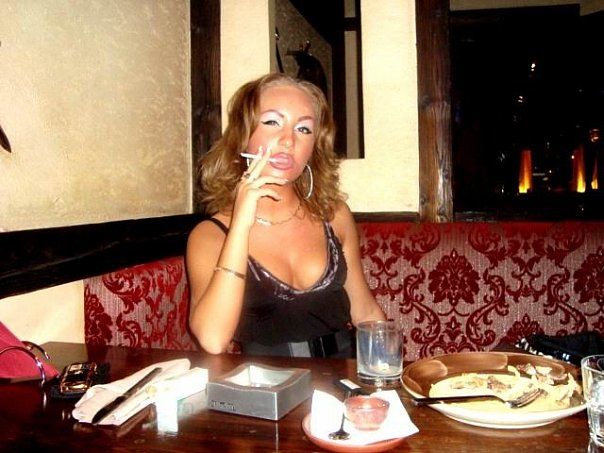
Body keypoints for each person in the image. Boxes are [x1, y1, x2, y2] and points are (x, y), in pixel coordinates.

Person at [186, 73, 385, 358]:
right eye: (272, 122)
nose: (289, 140)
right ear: (243, 135)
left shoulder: (334, 215)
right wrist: (241, 224)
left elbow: (364, 310)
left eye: (303, 129)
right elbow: (213, 339)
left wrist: (388, 372)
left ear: (313, 147)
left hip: (342, 374)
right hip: (266, 381)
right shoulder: (210, 235)